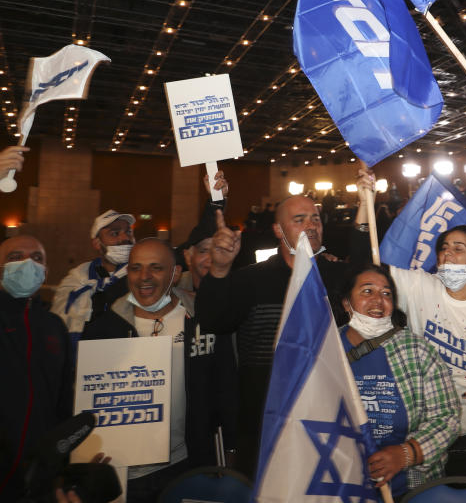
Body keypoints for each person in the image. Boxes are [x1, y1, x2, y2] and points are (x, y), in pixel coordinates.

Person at [354, 170, 466, 480]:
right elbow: (367, 264)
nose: (446, 255)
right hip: (420, 435)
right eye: (443, 249)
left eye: (458, 249)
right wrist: (365, 204)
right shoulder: (421, 286)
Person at [195, 194, 348, 477]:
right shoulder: (250, 280)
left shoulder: (341, 278)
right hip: (266, 424)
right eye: (299, 220)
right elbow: (212, 321)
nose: (311, 226)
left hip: (330, 422)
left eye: (315, 218)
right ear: (278, 230)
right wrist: (219, 268)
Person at [81, 239, 237, 503]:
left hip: (187, 465)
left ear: (175, 273)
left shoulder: (204, 319)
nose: (144, 277)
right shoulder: (102, 330)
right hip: (126, 474)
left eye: (156, 268)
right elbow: (89, 402)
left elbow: (227, 388)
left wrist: (231, 452)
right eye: (135, 268)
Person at [337, 263, 460, 498]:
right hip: (340, 485)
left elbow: (447, 417)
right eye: (367, 291)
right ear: (346, 303)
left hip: (410, 488)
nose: (378, 300)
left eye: (386, 294)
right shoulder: (325, 349)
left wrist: (406, 454)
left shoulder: (417, 351)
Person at [0, 235, 72, 499]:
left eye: (37, 258)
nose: (27, 263)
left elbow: (64, 402)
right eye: (15, 257)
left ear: (46, 272)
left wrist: (60, 468)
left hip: (42, 474)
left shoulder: (55, 327)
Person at [51, 210, 136, 345]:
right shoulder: (77, 278)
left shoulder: (143, 274)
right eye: (115, 233)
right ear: (97, 243)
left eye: (129, 232)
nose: (125, 238)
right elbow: (59, 325)